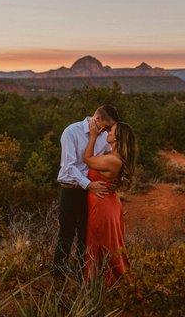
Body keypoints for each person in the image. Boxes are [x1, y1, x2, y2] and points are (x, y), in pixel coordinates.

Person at [53, 105, 120, 277]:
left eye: (109, 128)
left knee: (86, 236)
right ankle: (58, 275)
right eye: (105, 126)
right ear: (97, 119)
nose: (106, 130)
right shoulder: (71, 132)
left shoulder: (104, 137)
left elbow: (110, 161)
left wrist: (114, 180)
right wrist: (88, 184)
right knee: (66, 234)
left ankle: (82, 275)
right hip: (71, 189)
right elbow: (69, 166)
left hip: (91, 194)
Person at [83, 119, 136, 285]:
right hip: (107, 202)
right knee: (106, 243)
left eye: (111, 131)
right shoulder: (112, 156)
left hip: (102, 205)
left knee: (100, 243)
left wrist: (92, 137)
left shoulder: (113, 160)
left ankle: (103, 284)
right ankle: (99, 283)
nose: (108, 133)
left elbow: (87, 159)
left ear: (117, 138)